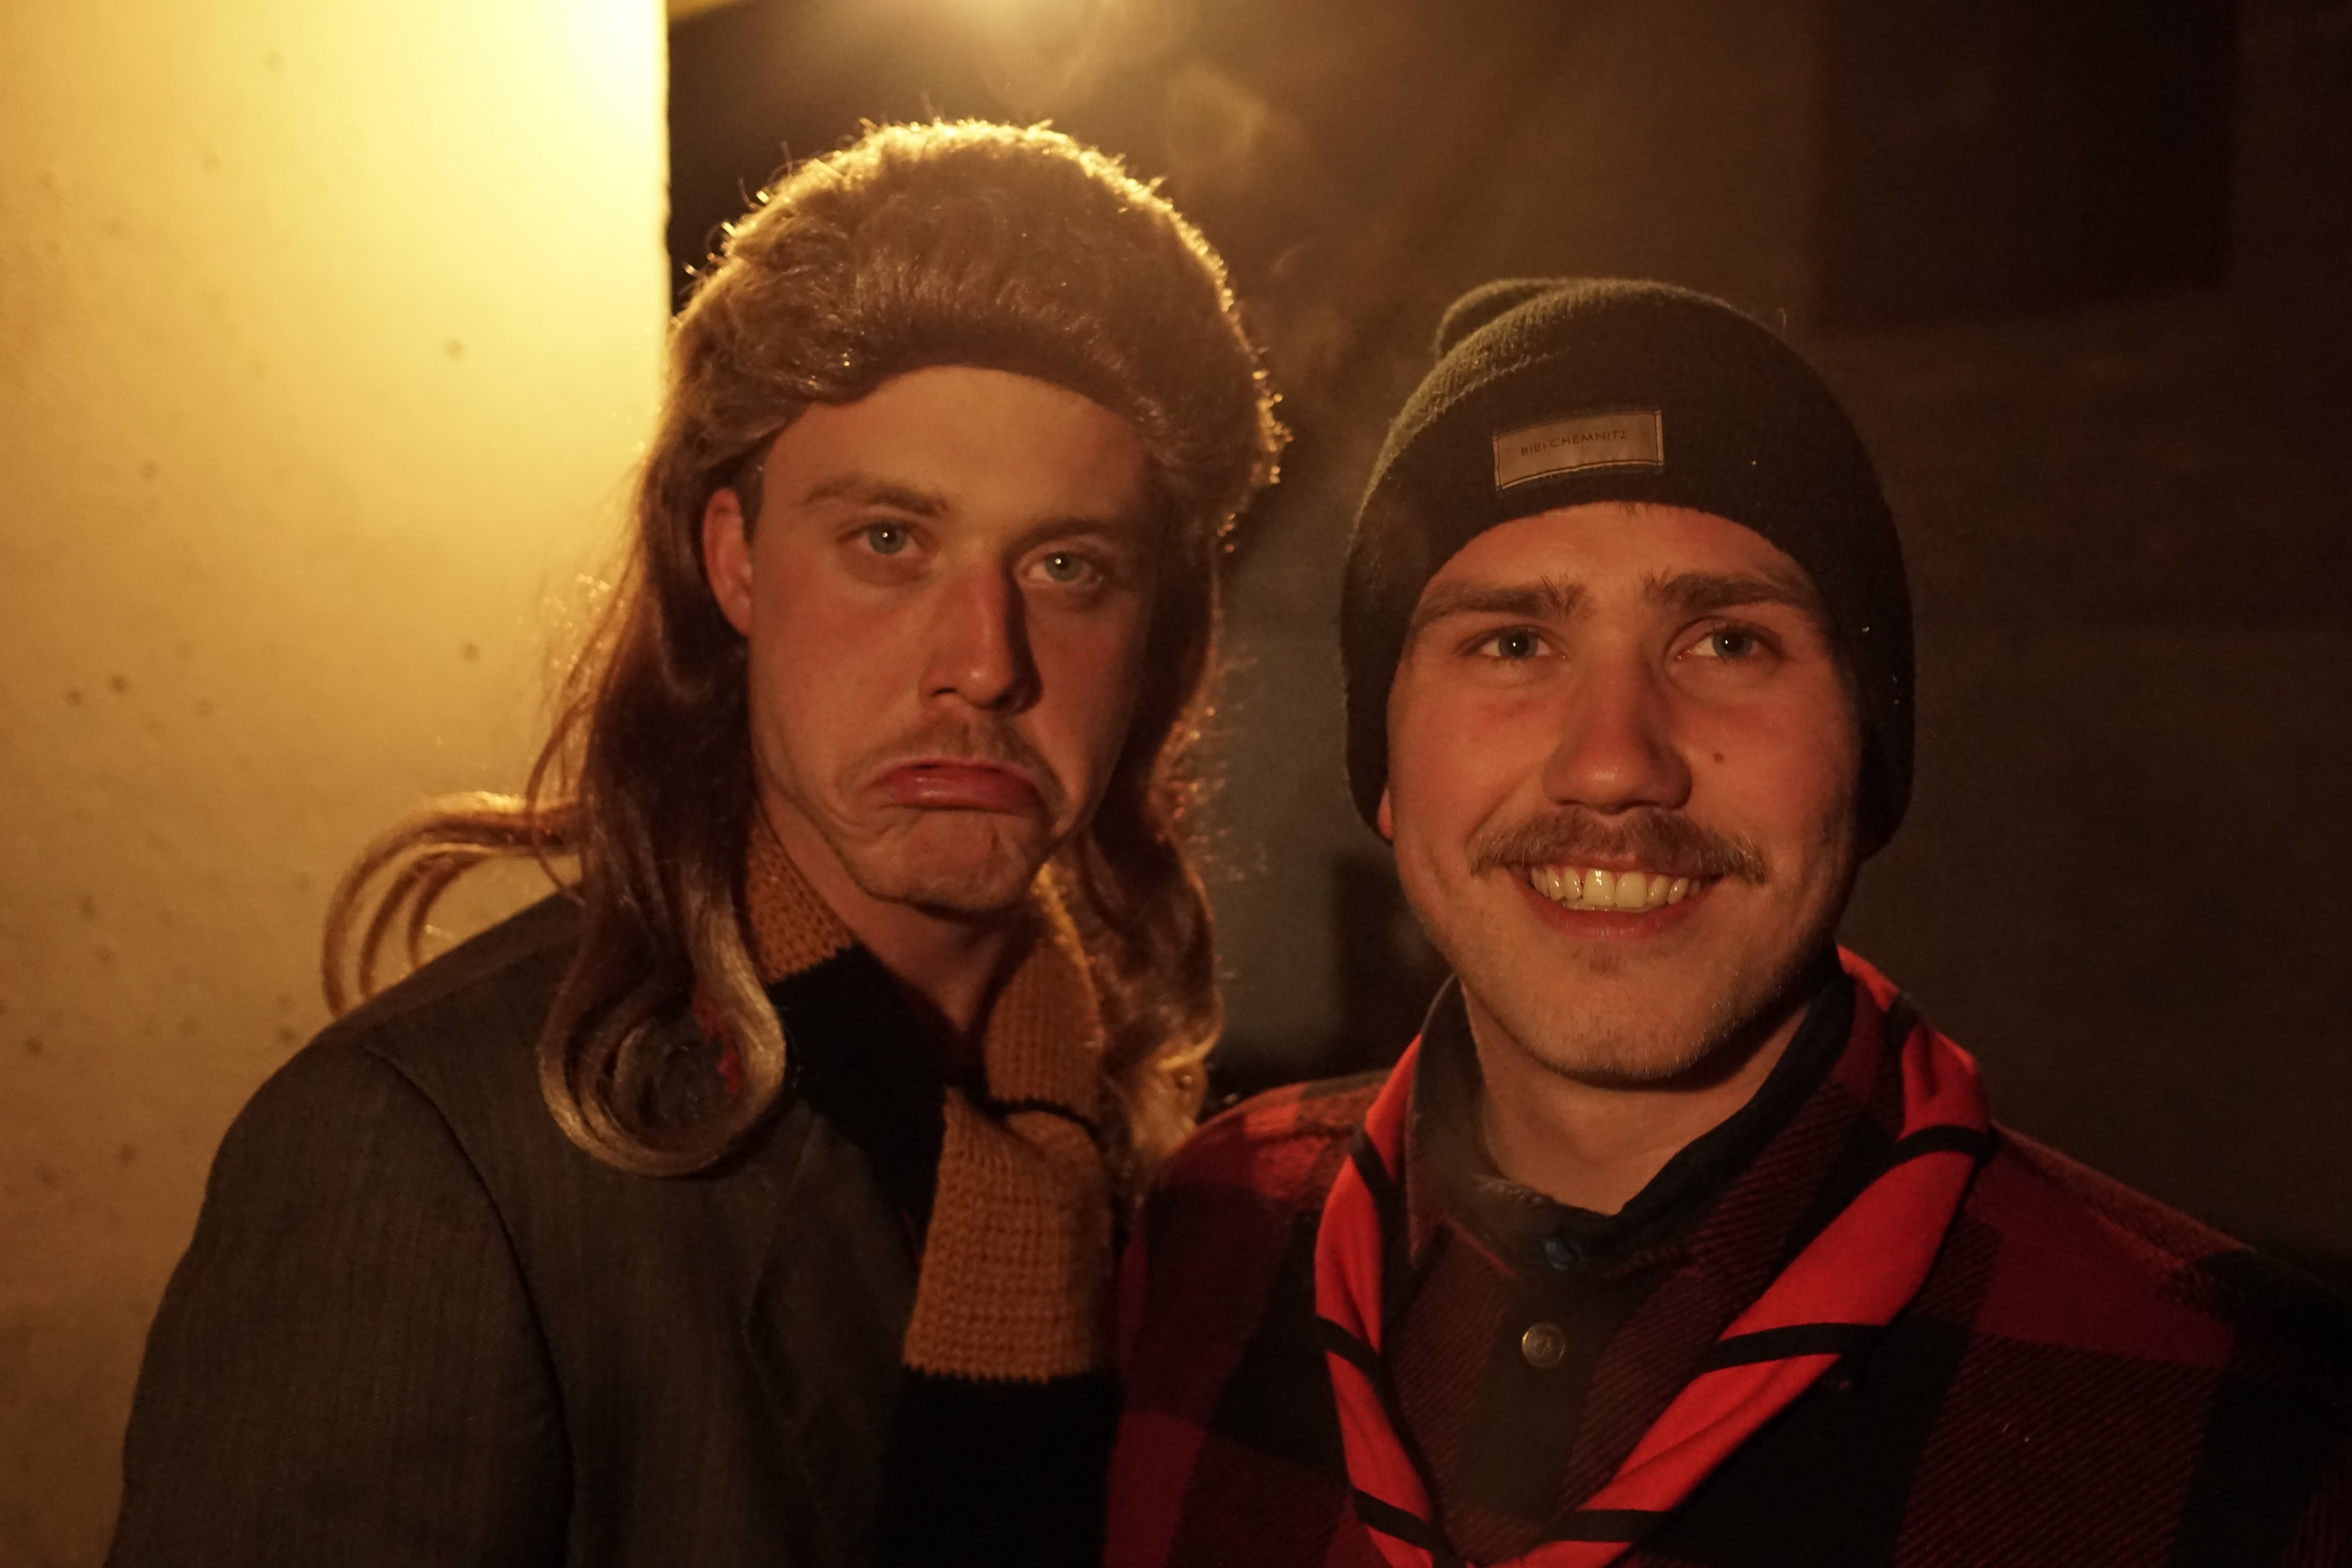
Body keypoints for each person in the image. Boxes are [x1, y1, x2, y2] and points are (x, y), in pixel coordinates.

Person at [107, 120, 1282, 1568]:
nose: (984, 663)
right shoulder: (428, 1157)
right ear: (733, 560)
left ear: (1156, 629)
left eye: (1066, 565)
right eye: (890, 542)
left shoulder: (1154, 1157)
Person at [1107, 278, 2351, 1566]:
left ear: (1869, 750)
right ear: (1384, 763)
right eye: (1514, 644)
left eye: (1728, 643)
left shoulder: (2258, 1438)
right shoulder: (1203, 1244)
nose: (1614, 764)